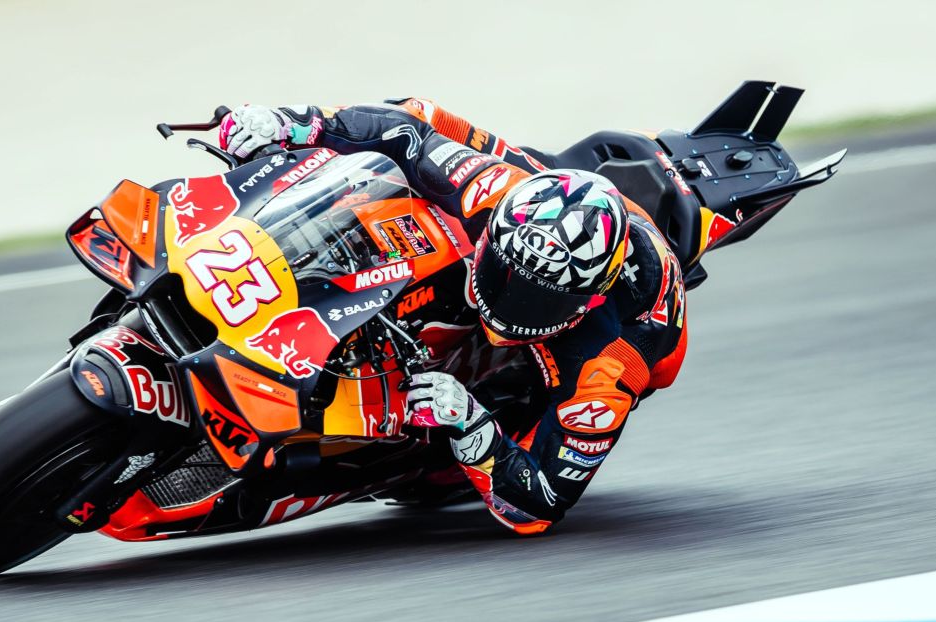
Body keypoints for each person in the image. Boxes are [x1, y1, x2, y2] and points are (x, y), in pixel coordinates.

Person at [219, 100, 687, 535]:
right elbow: (407, 131)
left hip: (612, 338)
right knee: (416, 121)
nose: (511, 305)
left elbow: (540, 504)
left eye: (539, 300)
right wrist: (296, 123)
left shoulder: (613, 360)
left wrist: (472, 425)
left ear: (587, 300)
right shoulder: (495, 191)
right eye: (503, 272)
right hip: (538, 187)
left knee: (441, 473)